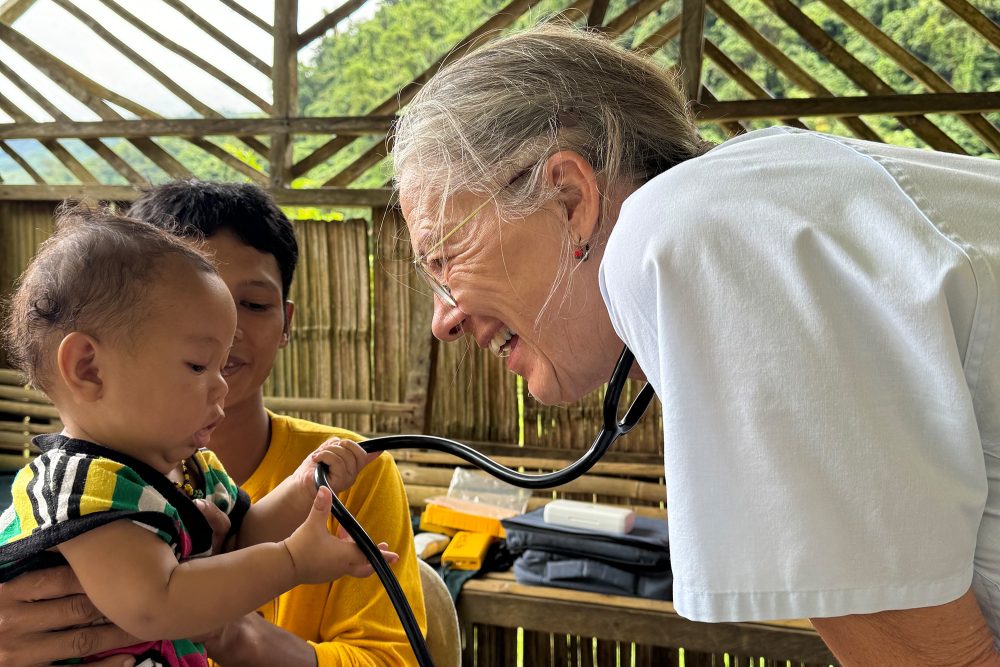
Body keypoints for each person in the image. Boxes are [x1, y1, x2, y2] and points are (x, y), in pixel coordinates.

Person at [391, 22, 1000, 665]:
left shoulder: (691, 232)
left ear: (570, 197)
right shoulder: (760, 197)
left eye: (443, 258)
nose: (443, 321)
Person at [0, 182, 426, 667]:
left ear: (287, 322)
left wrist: (304, 485)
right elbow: (157, 603)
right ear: (89, 367)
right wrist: (289, 563)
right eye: (198, 364)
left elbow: (243, 538)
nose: (220, 380)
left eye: (255, 305)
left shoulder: (193, 468)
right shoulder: (81, 488)